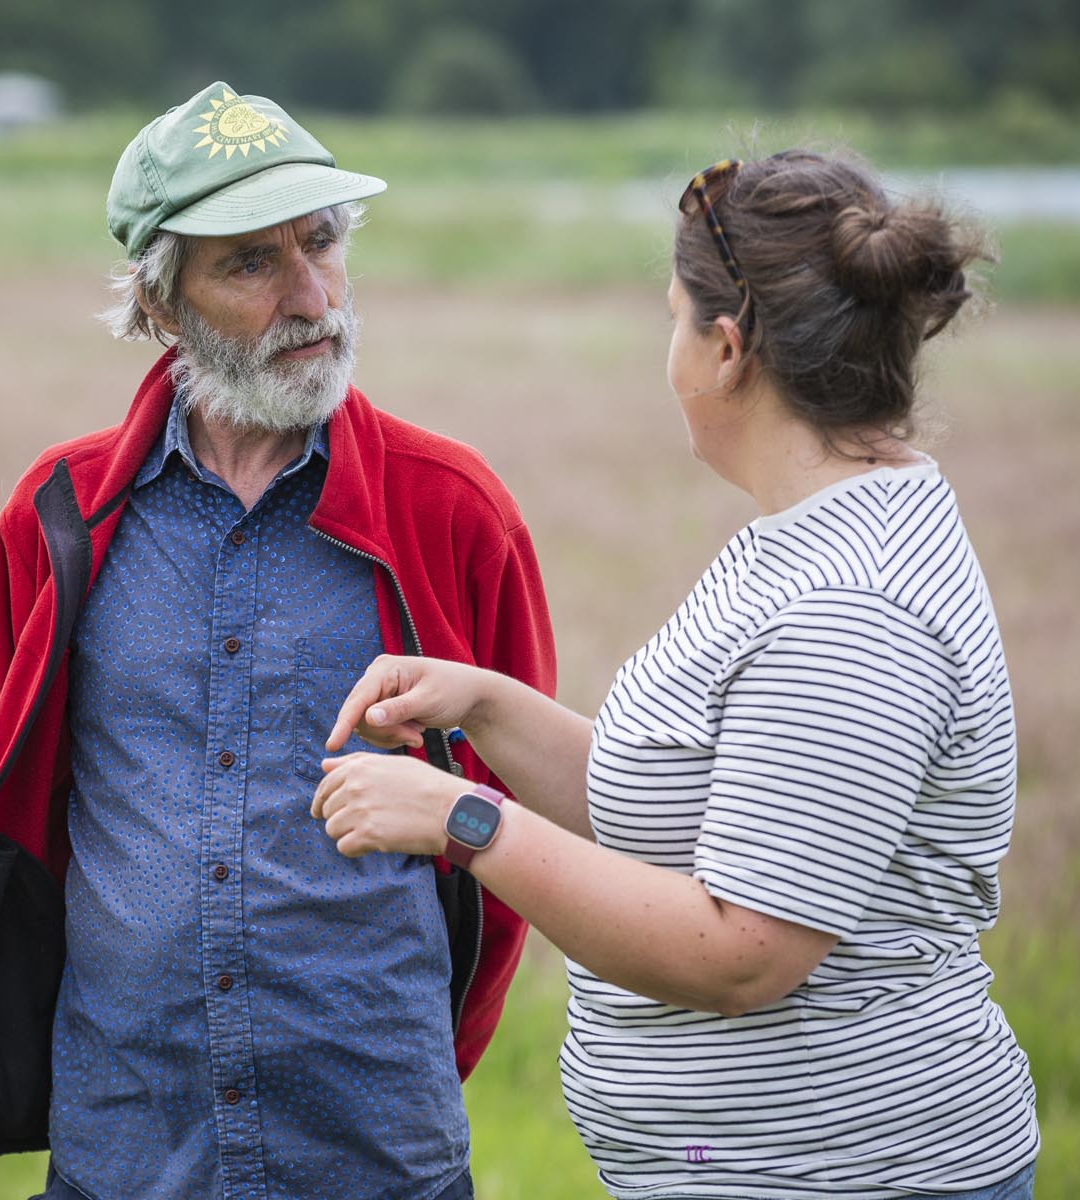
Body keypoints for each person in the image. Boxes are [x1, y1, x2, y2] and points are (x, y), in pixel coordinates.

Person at [312, 150, 1040, 1199]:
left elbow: (741, 952)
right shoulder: (810, 536)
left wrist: (463, 821)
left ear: (730, 347)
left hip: (850, 1175)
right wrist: (486, 705)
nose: (669, 352)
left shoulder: (852, 614)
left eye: (674, 319)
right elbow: (689, 806)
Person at [0, 82, 556, 1200]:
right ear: (164, 304)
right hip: (123, 1150)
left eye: (322, 242)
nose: (311, 295)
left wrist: (409, 1070)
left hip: (376, 1155)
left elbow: (511, 840)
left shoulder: (451, 509)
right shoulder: (56, 520)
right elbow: (41, 806)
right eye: (251, 263)